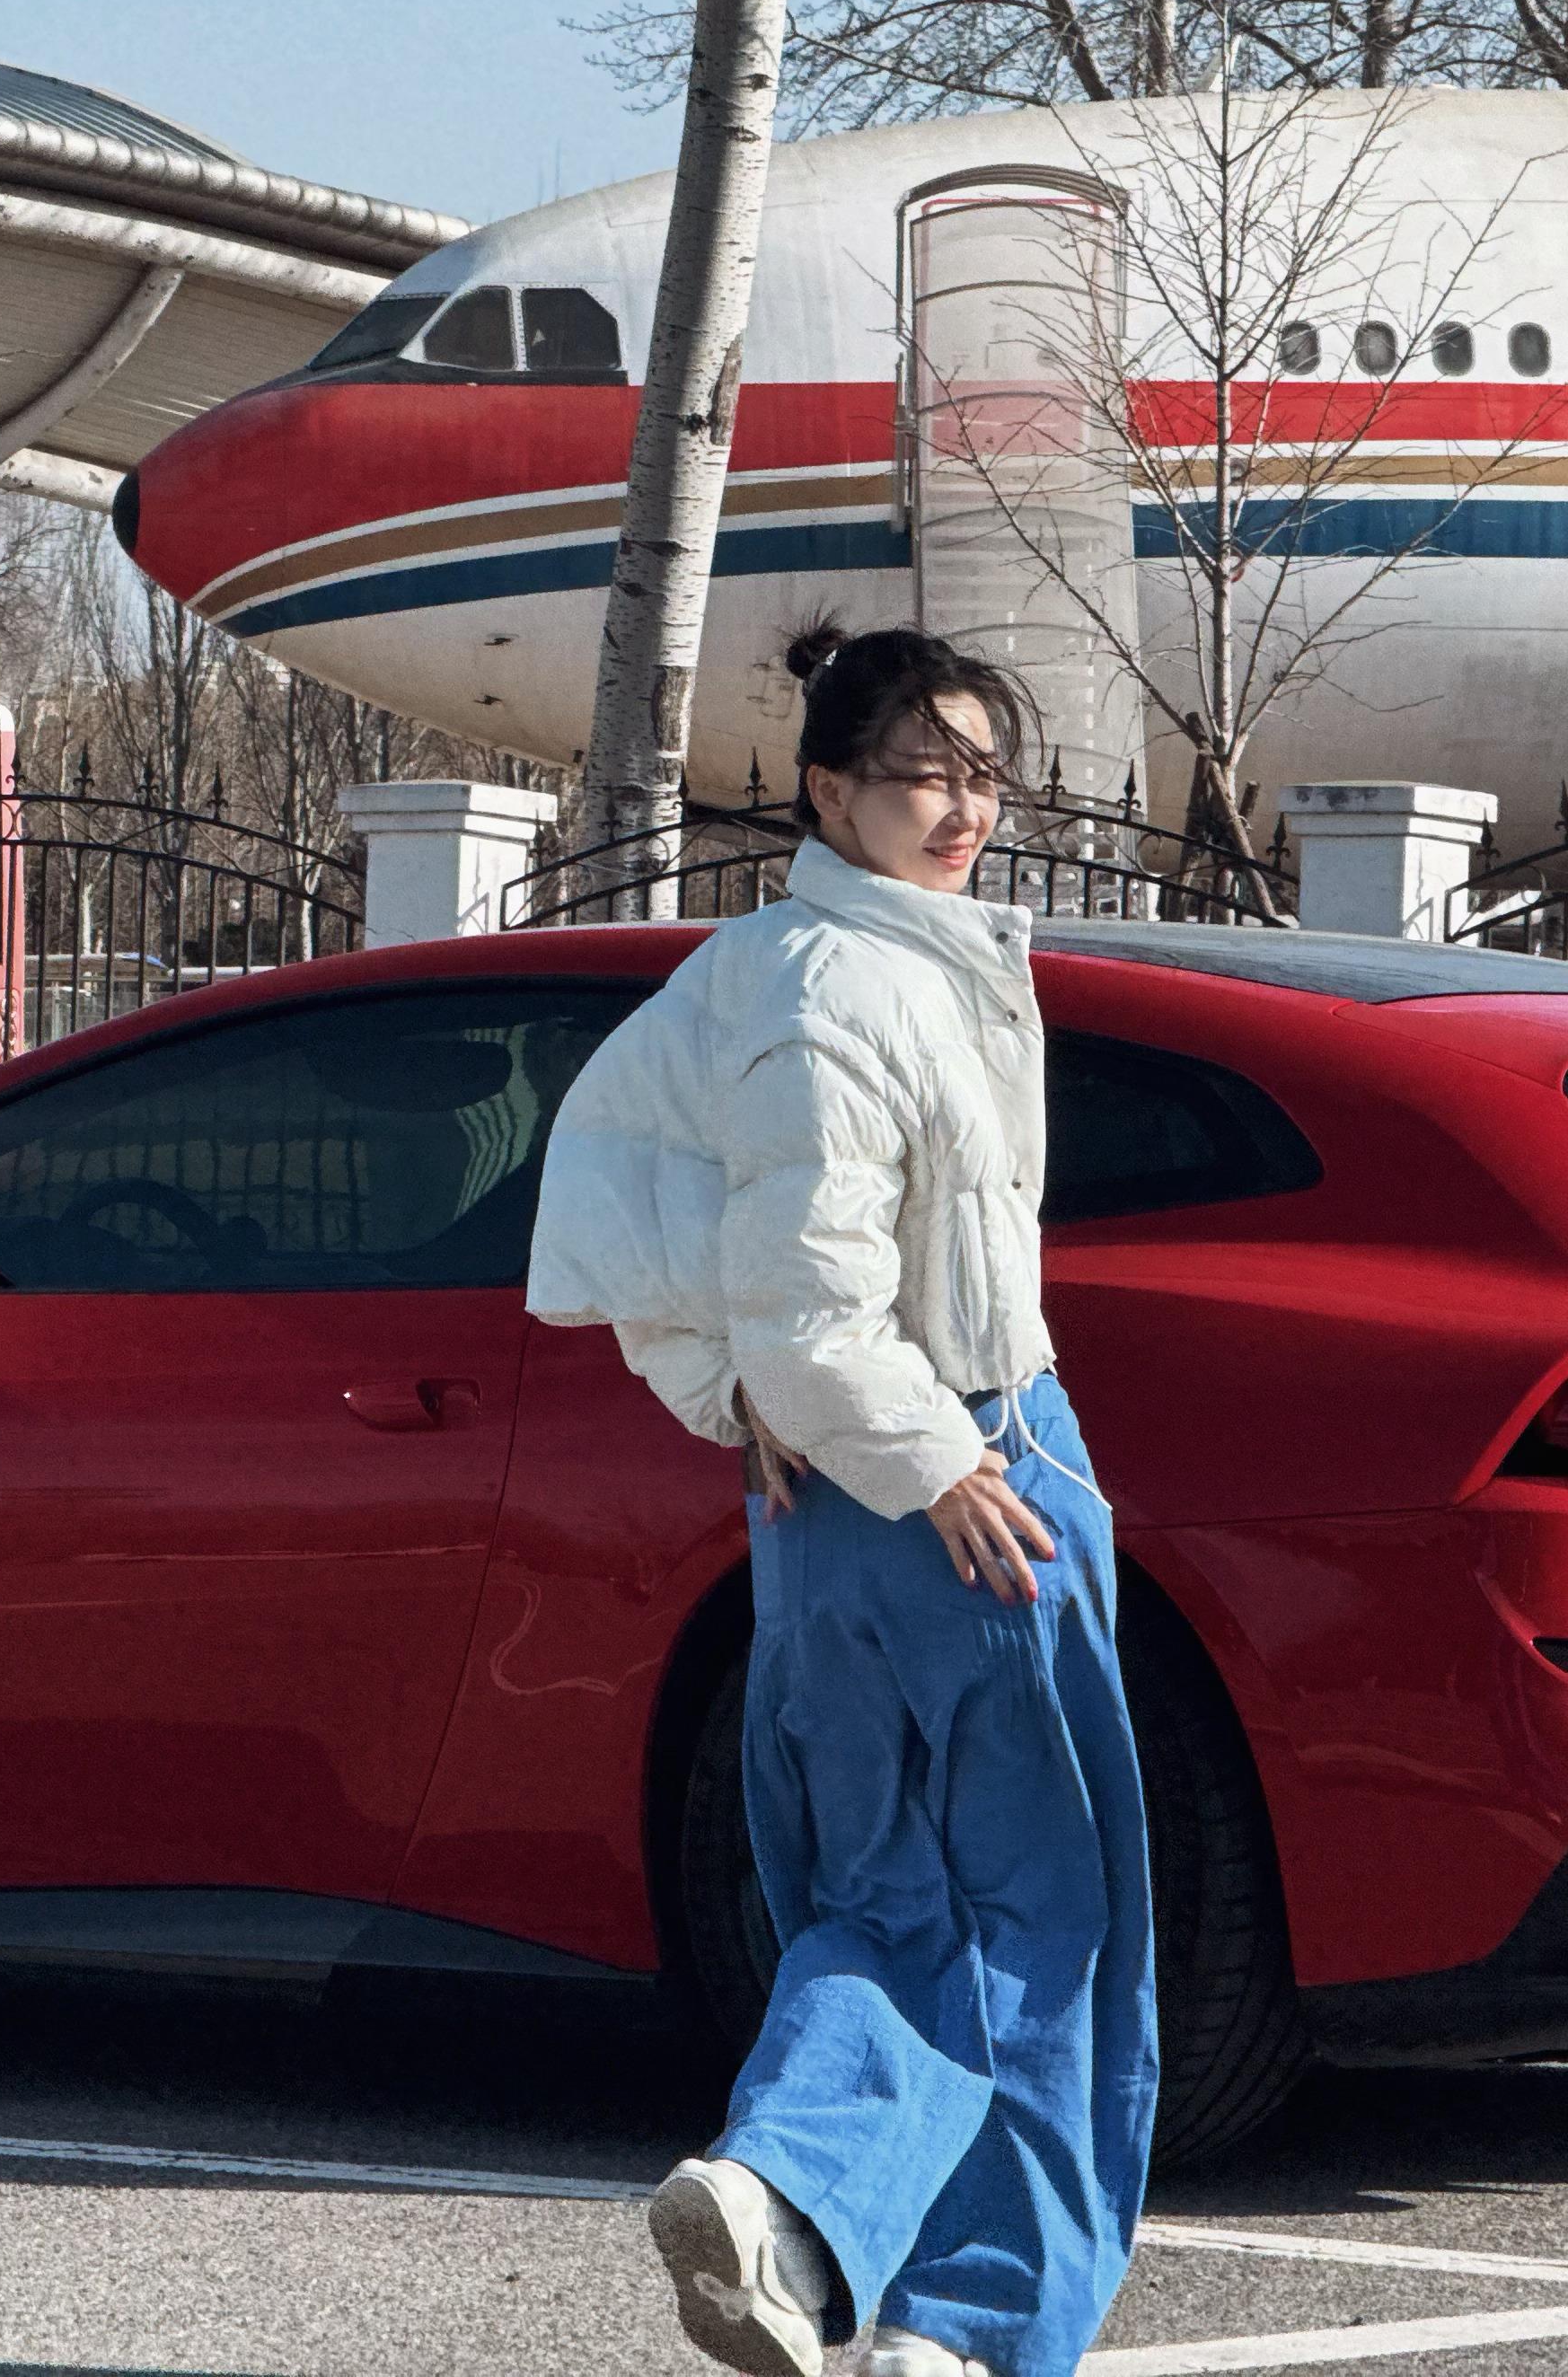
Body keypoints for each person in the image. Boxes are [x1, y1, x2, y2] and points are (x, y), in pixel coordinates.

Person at [524, 625, 1156, 2377]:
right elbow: (813, 1314)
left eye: (982, 773)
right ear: (826, 789)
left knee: (880, 1896)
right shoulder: (847, 990)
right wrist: (931, 1456)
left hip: (825, 1511)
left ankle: (797, 2207)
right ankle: (939, 2307)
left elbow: (613, 1200)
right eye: (919, 773)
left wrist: (731, 1391)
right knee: (1040, 1917)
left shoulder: (757, 971)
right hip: (963, 1477)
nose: (962, 808)